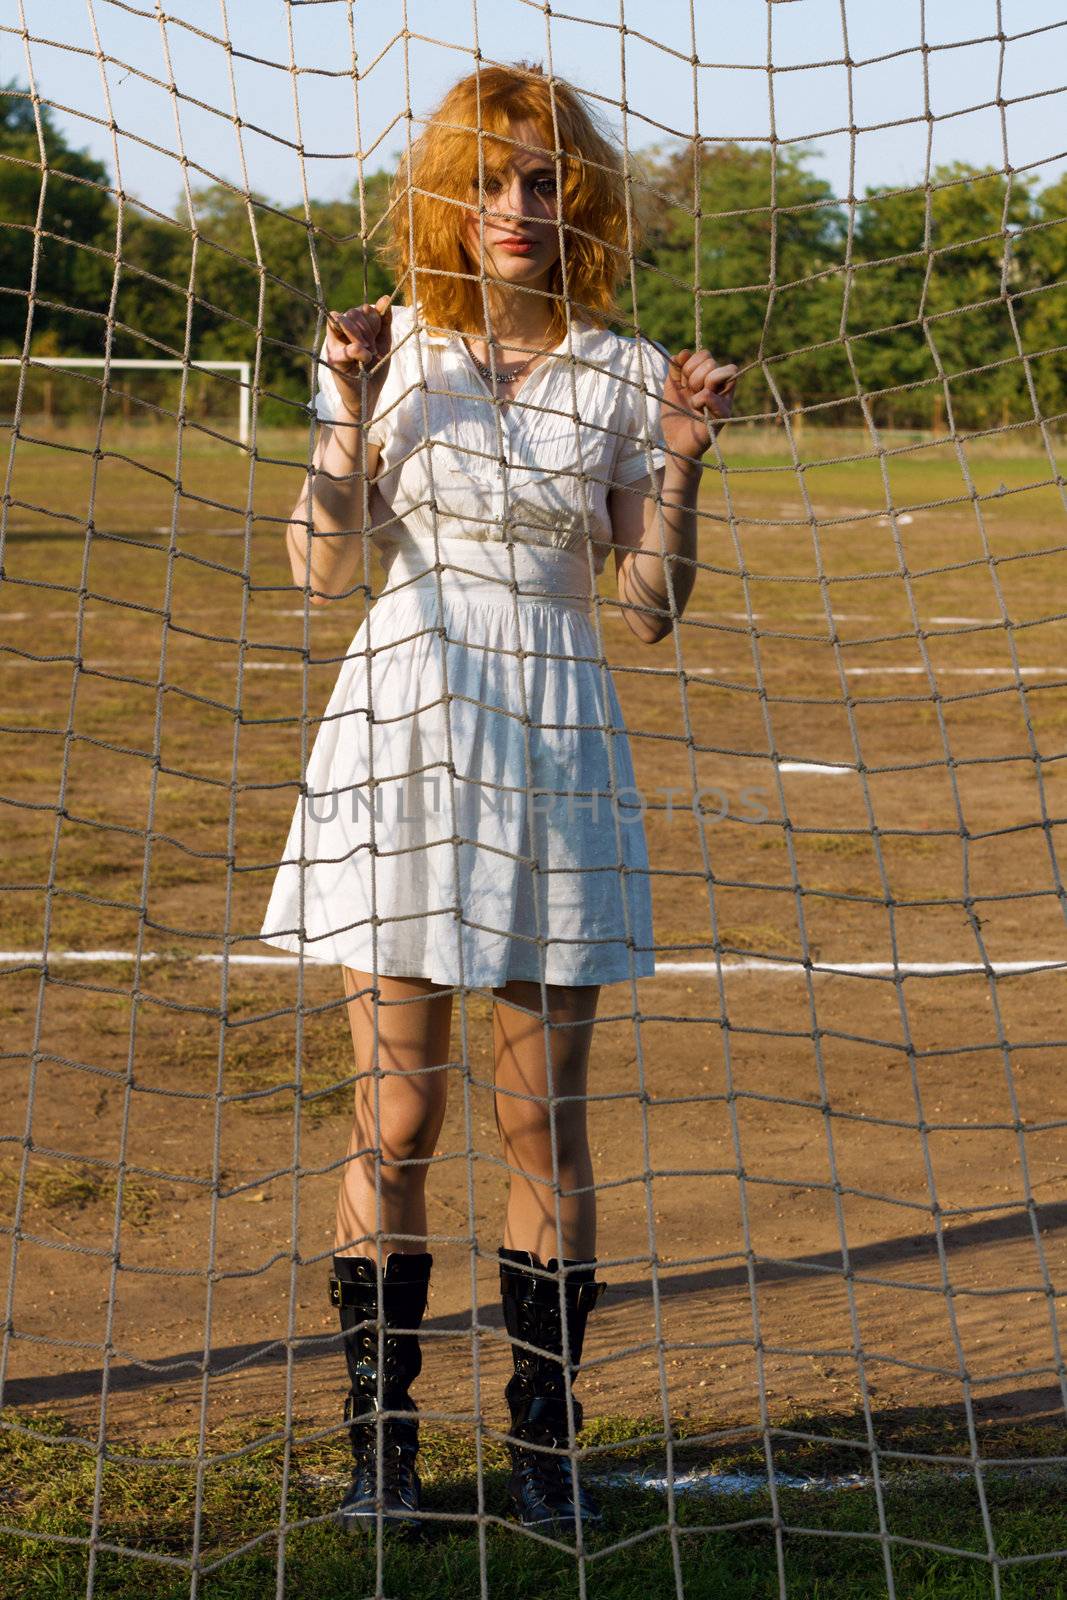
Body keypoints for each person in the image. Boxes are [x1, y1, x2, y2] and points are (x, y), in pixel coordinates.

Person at [259, 60, 737, 1538]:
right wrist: (341, 406)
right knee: (397, 1112)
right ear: (445, 204)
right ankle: (381, 1455)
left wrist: (678, 462)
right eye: (485, 179)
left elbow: (647, 607)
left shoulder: (619, 368)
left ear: (573, 199)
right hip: (401, 728)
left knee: (543, 1125)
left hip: (553, 736)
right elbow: (317, 568)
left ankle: (541, 1452)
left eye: (538, 181)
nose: (512, 206)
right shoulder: (389, 347)